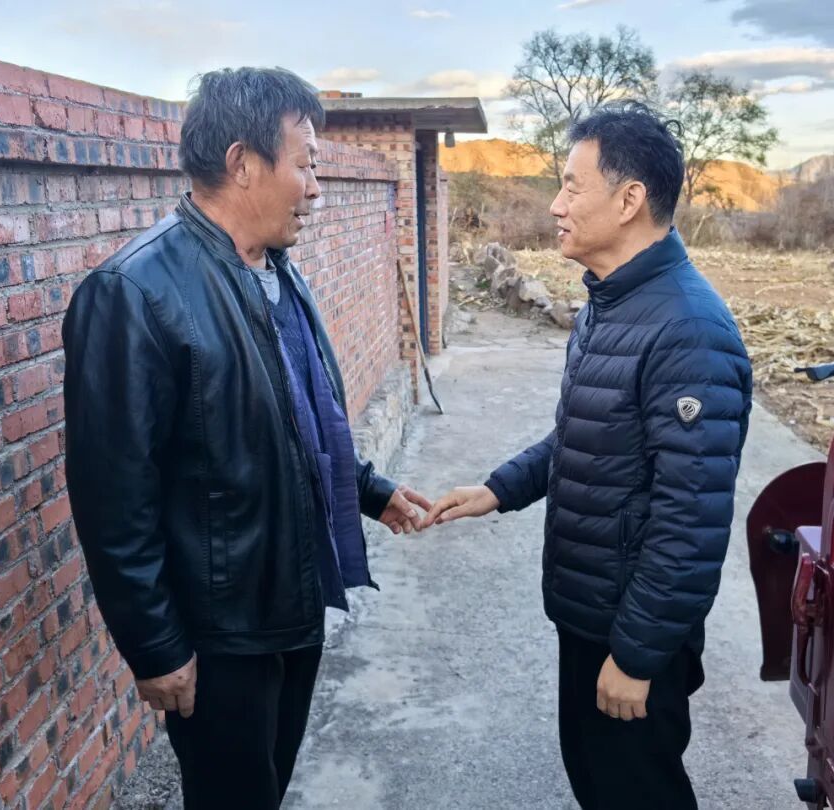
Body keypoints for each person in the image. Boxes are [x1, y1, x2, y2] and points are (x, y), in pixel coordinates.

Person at [62, 67, 430, 810]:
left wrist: (369, 490)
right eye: (306, 164)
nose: (316, 188)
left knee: (269, 784)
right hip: (221, 631)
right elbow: (113, 497)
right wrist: (154, 645)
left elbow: (295, 420)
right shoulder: (134, 293)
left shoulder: (276, 272)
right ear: (241, 162)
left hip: (292, 598)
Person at [424, 103, 753, 809]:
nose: (556, 204)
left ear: (629, 200)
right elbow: (588, 438)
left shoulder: (689, 330)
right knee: (599, 782)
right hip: (590, 613)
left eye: (572, 186)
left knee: (636, 792)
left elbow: (690, 521)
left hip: (628, 629)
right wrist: (498, 489)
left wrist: (636, 656)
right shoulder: (612, 303)